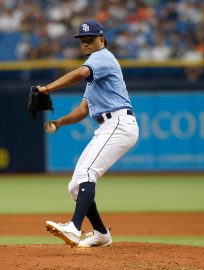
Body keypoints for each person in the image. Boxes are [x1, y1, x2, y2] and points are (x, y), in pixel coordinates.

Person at [38, 19, 139, 248]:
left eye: (90, 39)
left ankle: (74, 227)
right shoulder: (96, 69)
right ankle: (101, 233)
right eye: (83, 40)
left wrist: (47, 88)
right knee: (75, 186)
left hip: (119, 123)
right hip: (109, 125)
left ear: (101, 40)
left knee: (87, 172)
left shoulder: (101, 58)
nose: (86, 43)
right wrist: (61, 121)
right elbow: (84, 109)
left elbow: (80, 72)